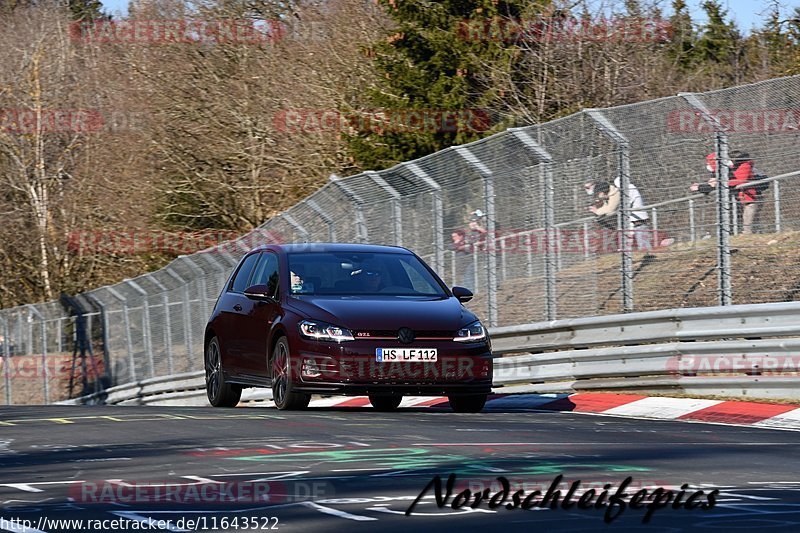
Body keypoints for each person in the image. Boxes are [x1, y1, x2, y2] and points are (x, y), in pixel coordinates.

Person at [690, 151, 761, 234]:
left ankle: (749, 233)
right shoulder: (727, 168)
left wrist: (720, 183)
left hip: (750, 195)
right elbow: (713, 185)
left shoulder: (744, 166)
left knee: (749, 216)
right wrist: (701, 187)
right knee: (746, 216)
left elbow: (740, 180)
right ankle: (748, 233)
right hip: (741, 196)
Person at [587, 179, 652, 251]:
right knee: (633, 238)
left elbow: (610, 209)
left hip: (637, 218)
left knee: (642, 240)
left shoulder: (617, 193)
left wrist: (597, 211)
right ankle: (629, 251)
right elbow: (608, 207)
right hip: (630, 219)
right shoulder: (614, 193)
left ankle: (646, 254)